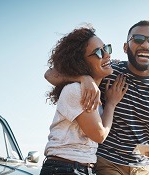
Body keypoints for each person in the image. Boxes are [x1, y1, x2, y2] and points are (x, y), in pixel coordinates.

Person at [45, 20, 149, 175]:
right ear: (125, 47)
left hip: (142, 166)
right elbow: (51, 74)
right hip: (105, 162)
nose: (146, 45)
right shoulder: (107, 70)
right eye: (138, 39)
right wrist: (84, 78)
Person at [40, 26, 128, 175]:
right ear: (81, 62)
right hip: (64, 168)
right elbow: (99, 135)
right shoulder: (76, 90)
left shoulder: (90, 91)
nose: (106, 55)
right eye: (98, 52)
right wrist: (111, 104)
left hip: (77, 168)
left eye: (106, 48)